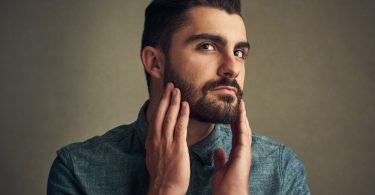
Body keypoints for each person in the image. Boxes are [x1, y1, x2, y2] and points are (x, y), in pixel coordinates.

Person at [47, 0, 310, 194]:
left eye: (240, 52)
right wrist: (165, 190)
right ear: (155, 62)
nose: (233, 67)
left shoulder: (280, 170)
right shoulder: (78, 170)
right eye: (207, 46)